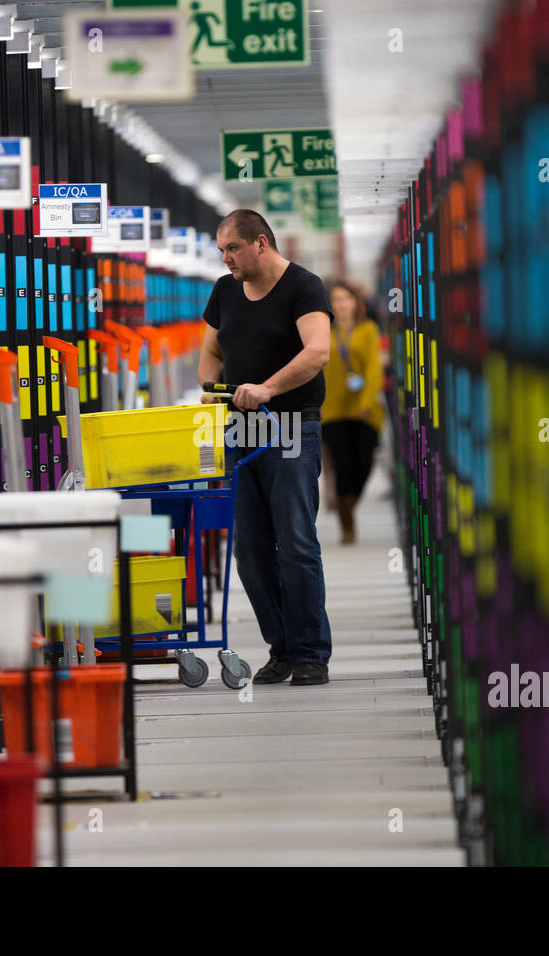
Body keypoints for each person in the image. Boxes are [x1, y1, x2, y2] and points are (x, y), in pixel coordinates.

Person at [198, 209, 334, 686]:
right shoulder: (224, 291)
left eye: (232, 248)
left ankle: (311, 652)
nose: (226, 258)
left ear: (260, 243)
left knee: (295, 541)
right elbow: (211, 352)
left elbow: (317, 352)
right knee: (250, 550)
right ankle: (282, 649)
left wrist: (268, 388)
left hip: (290, 424)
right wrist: (210, 384)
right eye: (221, 250)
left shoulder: (303, 287)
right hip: (240, 431)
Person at [320, 280, 384, 544]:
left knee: (365, 465)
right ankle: (347, 525)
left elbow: (373, 369)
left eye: (346, 298)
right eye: (336, 299)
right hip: (332, 410)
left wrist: (367, 403)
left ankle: (347, 503)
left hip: (364, 411)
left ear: (355, 303)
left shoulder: (368, 330)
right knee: (343, 467)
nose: (341, 304)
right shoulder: (322, 330)